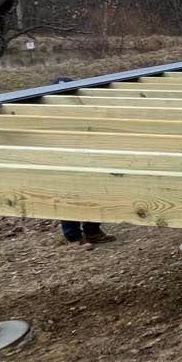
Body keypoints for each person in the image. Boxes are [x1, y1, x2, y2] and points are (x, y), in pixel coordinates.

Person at [52, 75, 111, 246]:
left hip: (87, 157)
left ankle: (93, 231)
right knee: (67, 196)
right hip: (62, 160)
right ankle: (74, 238)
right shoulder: (48, 112)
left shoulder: (83, 107)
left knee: (97, 191)